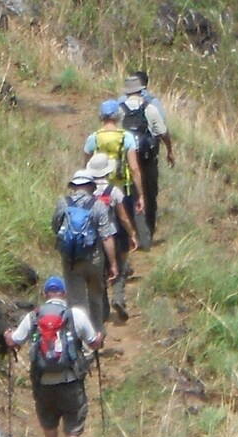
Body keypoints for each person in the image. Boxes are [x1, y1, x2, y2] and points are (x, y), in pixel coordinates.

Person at [4, 276, 104, 437]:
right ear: (64, 294)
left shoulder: (34, 316)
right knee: (74, 421)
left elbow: (14, 341)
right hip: (70, 380)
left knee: (48, 419)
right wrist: (100, 338)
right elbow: (94, 344)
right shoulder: (75, 315)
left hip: (43, 382)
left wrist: (8, 336)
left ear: (44, 295)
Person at [52, 169, 119, 336]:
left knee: (77, 303)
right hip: (95, 259)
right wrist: (113, 264)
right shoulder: (98, 205)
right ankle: (98, 333)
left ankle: (82, 340)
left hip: (71, 260)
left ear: (74, 186)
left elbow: (55, 227)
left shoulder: (63, 203)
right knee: (96, 298)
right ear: (91, 186)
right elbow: (107, 237)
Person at [119, 74, 175, 250]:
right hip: (148, 158)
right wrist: (170, 150)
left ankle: (130, 234)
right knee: (149, 195)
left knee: (127, 194)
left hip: (126, 159)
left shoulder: (118, 110)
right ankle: (147, 234)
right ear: (141, 90)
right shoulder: (150, 108)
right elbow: (162, 132)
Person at [86, 153, 138, 323]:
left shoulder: (87, 192)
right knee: (120, 269)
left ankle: (102, 311)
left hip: (93, 240)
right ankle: (118, 298)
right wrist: (132, 234)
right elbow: (123, 218)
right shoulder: (114, 191)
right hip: (113, 236)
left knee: (100, 274)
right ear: (108, 172)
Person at [83, 99, 145, 219]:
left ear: (101, 116)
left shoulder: (93, 138)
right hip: (123, 188)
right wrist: (141, 195)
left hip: (99, 190)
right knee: (124, 224)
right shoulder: (127, 137)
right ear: (118, 115)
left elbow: (87, 166)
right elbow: (134, 168)